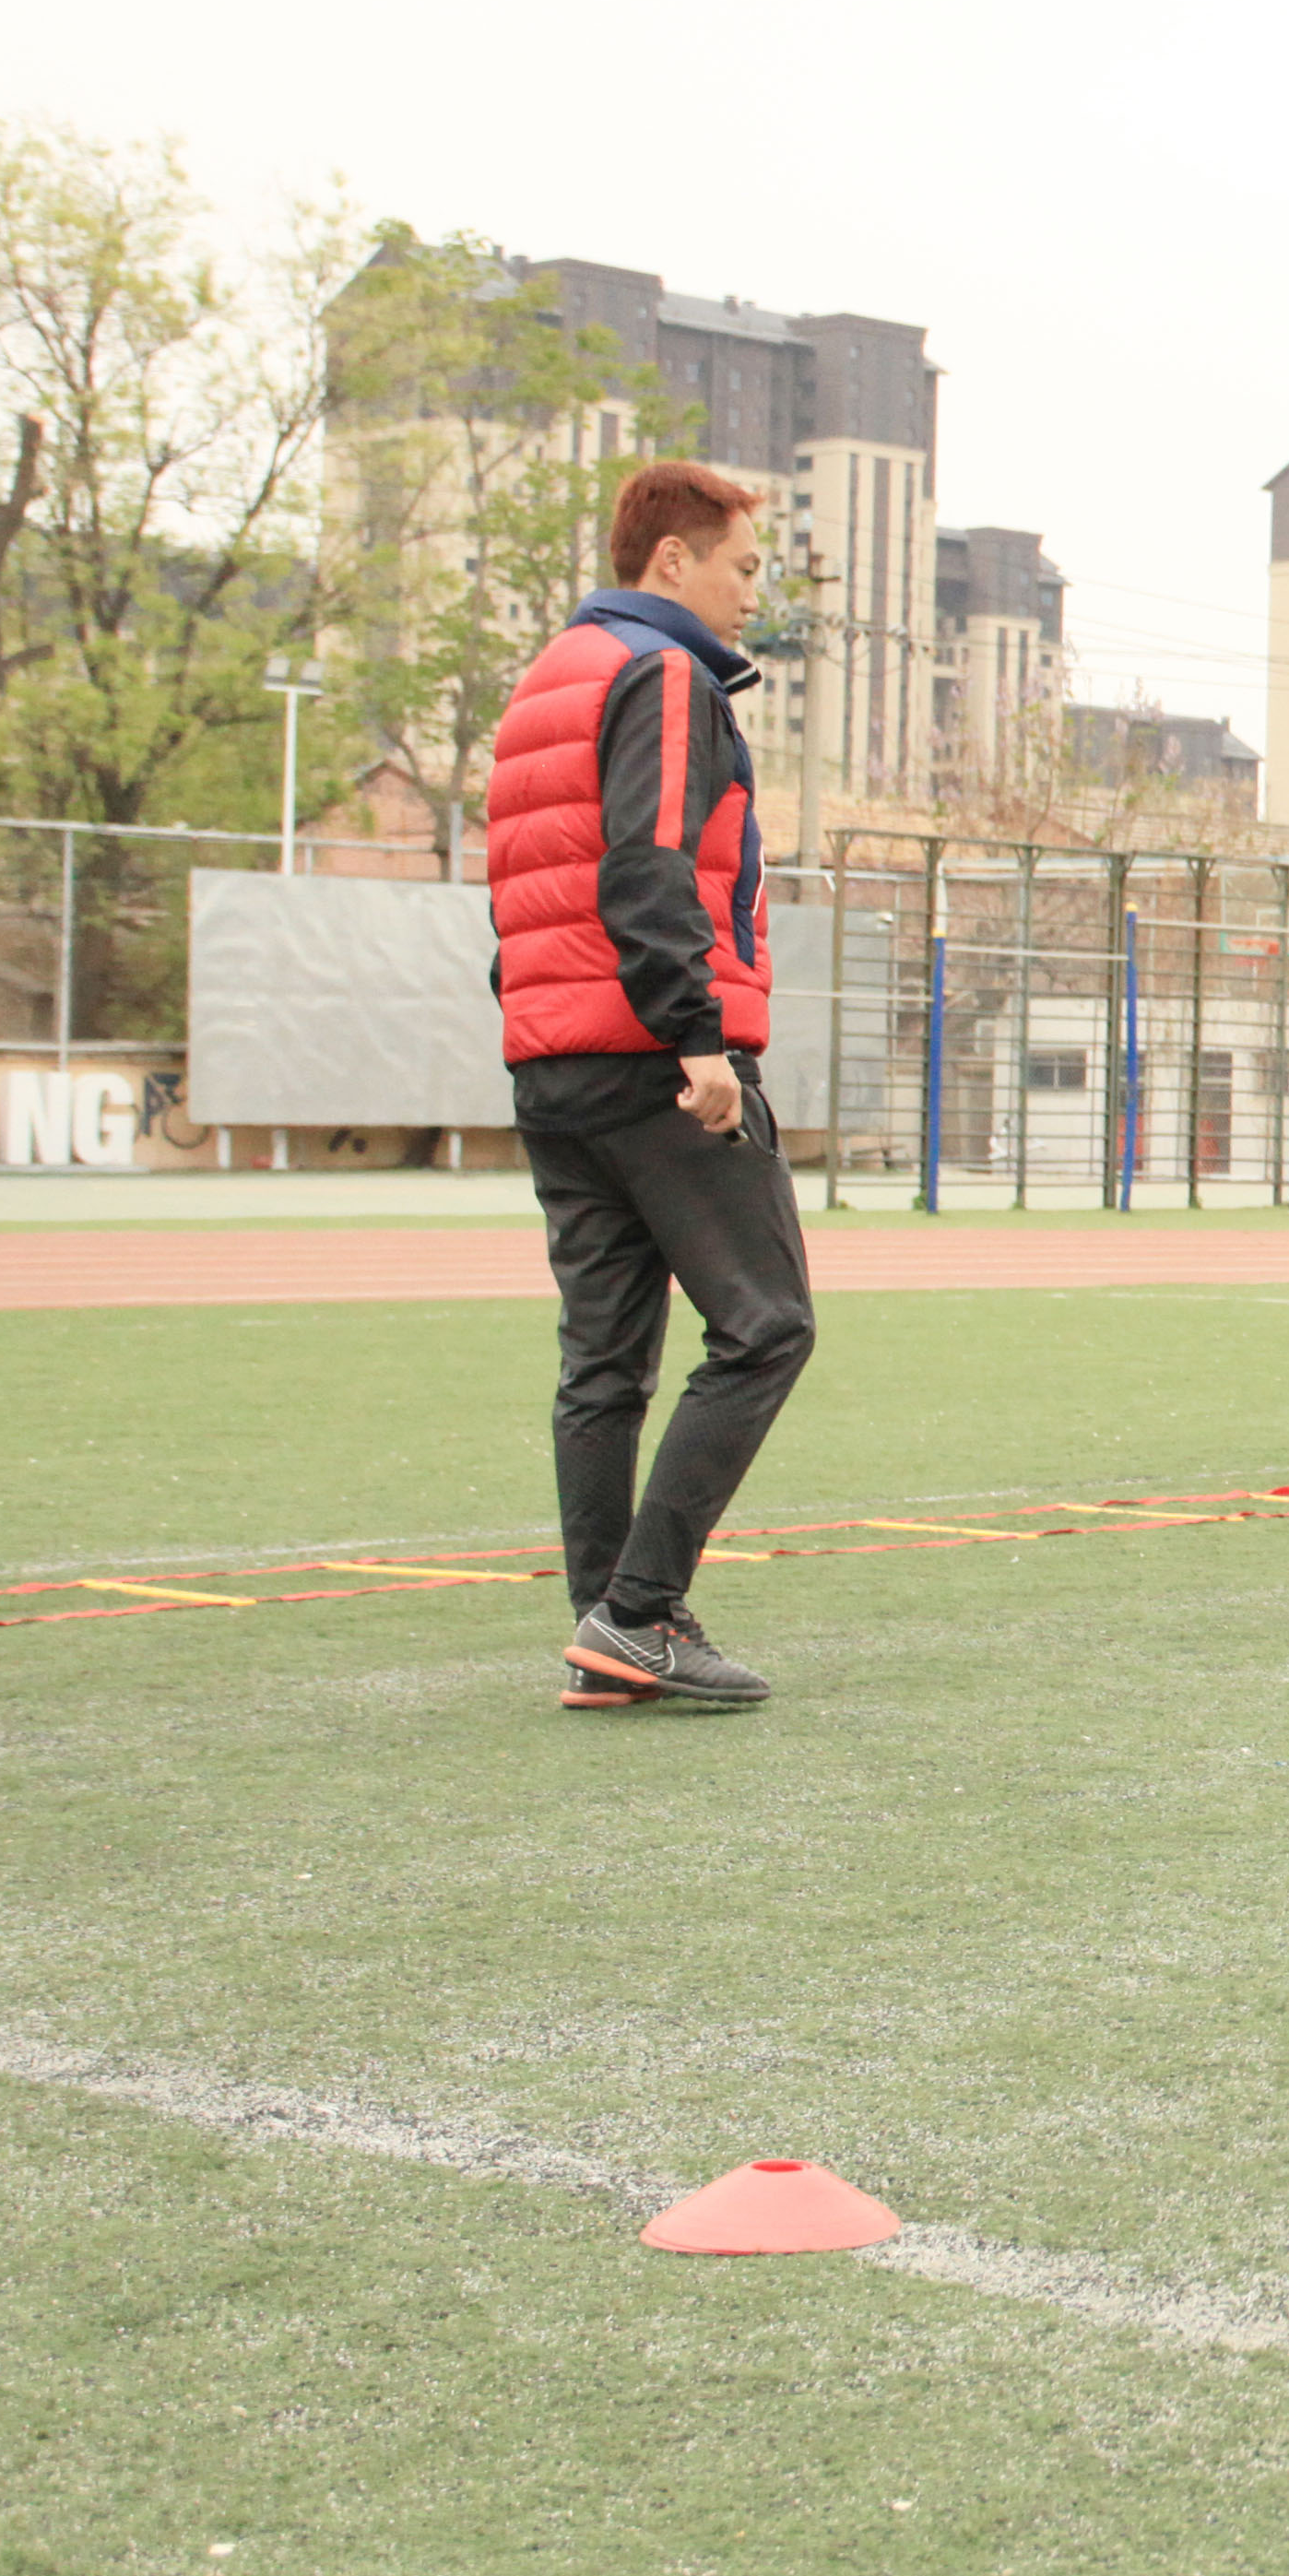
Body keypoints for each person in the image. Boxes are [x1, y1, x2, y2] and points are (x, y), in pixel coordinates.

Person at [505, 459, 812, 1711]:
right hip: (653, 1053)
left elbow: (536, 876)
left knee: (605, 1361)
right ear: (672, 561)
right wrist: (696, 1038)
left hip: (553, 1060)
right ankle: (640, 1612)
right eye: (742, 567)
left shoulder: (548, 677)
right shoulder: (665, 670)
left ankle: (606, 1625)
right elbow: (647, 861)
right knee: (766, 1326)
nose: (751, 596)